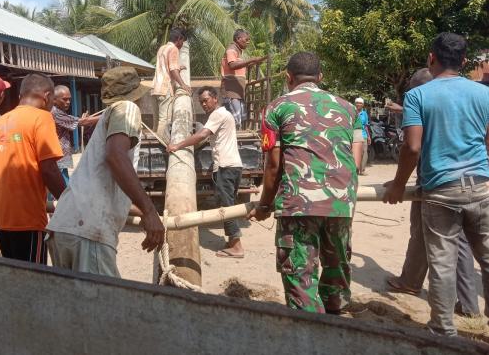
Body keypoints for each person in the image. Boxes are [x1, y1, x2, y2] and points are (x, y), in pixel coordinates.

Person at [383, 33, 489, 337]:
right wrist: (476, 167)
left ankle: (444, 329)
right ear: (463, 61)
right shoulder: (485, 94)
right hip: (481, 188)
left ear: (431, 58)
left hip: (440, 191)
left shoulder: (418, 96)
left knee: (443, 263)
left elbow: (412, 148)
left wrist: (397, 185)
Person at [249, 52, 362, 314]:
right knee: (337, 270)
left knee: (300, 274)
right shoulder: (348, 109)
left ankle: (310, 330)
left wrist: (264, 205)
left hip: (298, 206)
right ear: (320, 77)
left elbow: (274, 166)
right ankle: (338, 319)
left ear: (288, 78)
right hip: (340, 204)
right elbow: (355, 161)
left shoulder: (275, 108)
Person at [47, 67, 165, 276]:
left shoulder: (109, 116)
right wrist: (149, 211)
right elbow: (116, 156)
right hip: (88, 230)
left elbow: (105, 183)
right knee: (106, 305)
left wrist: (142, 209)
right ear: (135, 95)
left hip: (66, 226)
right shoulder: (127, 108)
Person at [386, 68, 480, 318]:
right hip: (470, 182)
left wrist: (398, 183)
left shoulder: (421, 102)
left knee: (422, 231)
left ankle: (413, 284)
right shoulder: (463, 102)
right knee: (461, 242)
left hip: (436, 183)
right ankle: (470, 303)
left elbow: (412, 147)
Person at [0, 73, 66, 264]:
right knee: (33, 282)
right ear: (47, 97)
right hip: (27, 218)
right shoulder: (42, 118)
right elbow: (49, 169)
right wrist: (68, 201)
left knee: (14, 278)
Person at [168, 86, 245, 258]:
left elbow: (202, 135)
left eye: (206, 100)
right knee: (229, 203)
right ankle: (232, 241)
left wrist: (177, 145)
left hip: (225, 166)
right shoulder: (225, 114)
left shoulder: (217, 115)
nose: (204, 104)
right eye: (201, 102)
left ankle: (237, 246)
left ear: (215, 98)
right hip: (234, 165)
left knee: (227, 206)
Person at [51, 85, 99, 182]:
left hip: (61, 155)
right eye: (64, 99)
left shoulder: (59, 112)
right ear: (54, 100)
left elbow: (81, 121)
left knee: (63, 184)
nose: (68, 102)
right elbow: (82, 122)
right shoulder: (55, 112)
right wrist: (107, 115)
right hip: (58, 155)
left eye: (69, 99)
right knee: (63, 187)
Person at [151, 28, 191, 143]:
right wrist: (183, 85)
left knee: (157, 121)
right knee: (165, 120)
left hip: (155, 88)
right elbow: (172, 70)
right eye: (182, 41)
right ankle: (162, 144)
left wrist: (179, 67)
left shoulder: (162, 48)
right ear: (179, 39)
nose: (182, 44)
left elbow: (167, 66)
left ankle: (154, 146)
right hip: (165, 88)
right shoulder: (173, 49)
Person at [221, 29, 267, 129]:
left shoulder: (238, 51)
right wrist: (252, 59)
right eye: (246, 39)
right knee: (234, 121)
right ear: (238, 39)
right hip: (231, 92)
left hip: (237, 93)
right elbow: (232, 65)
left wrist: (252, 62)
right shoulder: (231, 49)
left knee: (238, 121)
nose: (248, 42)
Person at [354, 98, 371, 175]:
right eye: (357, 103)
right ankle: (355, 170)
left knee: (364, 152)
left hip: (363, 134)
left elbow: (366, 126)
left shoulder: (364, 113)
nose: (358, 104)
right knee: (355, 152)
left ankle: (362, 170)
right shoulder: (352, 112)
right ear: (355, 103)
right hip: (354, 133)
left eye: (360, 103)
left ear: (363, 105)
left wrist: (368, 136)